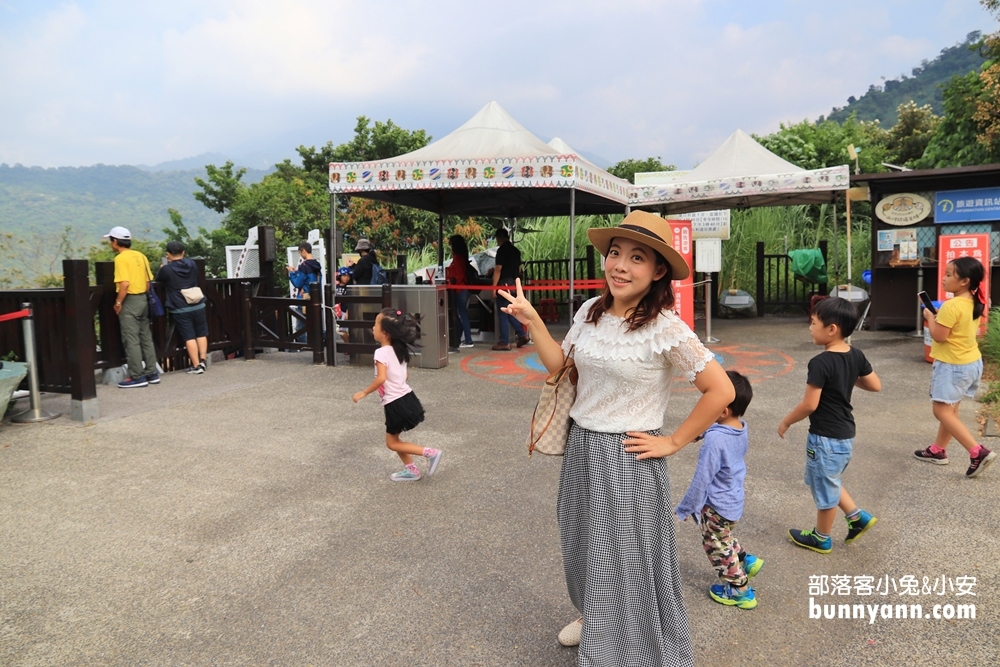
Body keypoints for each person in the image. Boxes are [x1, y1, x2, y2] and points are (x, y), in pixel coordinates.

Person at [499, 211, 734, 666]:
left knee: (626, 556)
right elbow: (559, 368)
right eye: (615, 253)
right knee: (585, 543)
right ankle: (595, 616)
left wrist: (673, 441)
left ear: (658, 270)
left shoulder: (666, 328)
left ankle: (624, 645)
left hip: (629, 455)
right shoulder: (591, 311)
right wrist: (532, 321)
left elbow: (720, 390)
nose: (620, 266)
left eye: (637, 258)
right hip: (582, 447)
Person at [778, 297, 882, 554]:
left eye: (813, 323)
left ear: (832, 329)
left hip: (825, 437)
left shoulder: (820, 362)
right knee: (828, 478)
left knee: (824, 486)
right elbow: (874, 384)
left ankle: (821, 537)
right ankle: (857, 517)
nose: (810, 328)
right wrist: (845, 378)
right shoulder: (856, 355)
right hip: (845, 434)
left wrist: (787, 421)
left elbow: (810, 405)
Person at [675, 370, 762, 610]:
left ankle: (740, 590)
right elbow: (724, 435)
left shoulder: (714, 441)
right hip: (733, 500)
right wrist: (703, 431)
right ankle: (746, 560)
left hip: (716, 506)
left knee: (716, 546)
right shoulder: (740, 426)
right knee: (724, 537)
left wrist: (687, 506)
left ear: (722, 411)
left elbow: (702, 478)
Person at [916, 256, 996, 476]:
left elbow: (939, 336)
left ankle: (977, 452)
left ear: (964, 281)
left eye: (949, 274)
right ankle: (938, 450)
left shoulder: (951, 306)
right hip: (970, 363)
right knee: (951, 411)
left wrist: (929, 316)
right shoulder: (973, 302)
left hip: (953, 366)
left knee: (941, 410)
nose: (943, 278)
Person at [352, 308, 443, 482]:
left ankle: (430, 453)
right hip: (407, 398)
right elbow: (405, 375)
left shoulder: (381, 353)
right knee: (395, 439)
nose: (373, 328)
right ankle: (411, 470)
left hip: (395, 403)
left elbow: (381, 378)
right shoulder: (398, 349)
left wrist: (364, 392)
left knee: (391, 443)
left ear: (385, 333)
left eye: (376, 324)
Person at [105, 226, 159, 388]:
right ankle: (152, 372)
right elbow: (148, 282)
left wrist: (118, 302)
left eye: (110, 241)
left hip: (130, 301)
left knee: (131, 339)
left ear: (115, 241)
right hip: (143, 299)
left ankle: (137, 376)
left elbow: (125, 284)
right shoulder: (140, 256)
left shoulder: (120, 259)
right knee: (146, 337)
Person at [156, 241, 208, 374]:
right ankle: (203, 360)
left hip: (181, 307)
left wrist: (163, 267)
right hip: (198, 303)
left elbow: (159, 279)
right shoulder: (192, 264)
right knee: (201, 333)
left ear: (168, 254)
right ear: (183, 253)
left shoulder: (166, 269)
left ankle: (196, 366)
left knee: (189, 336)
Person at [491, 227, 529, 351]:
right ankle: (522, 335)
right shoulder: (515, 251)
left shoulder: (502, 251)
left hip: (503, 284)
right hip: (513, 283)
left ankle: (504, 341)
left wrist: (494, 287)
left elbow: (498, 269)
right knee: (510, 312)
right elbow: (518, 269)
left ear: (499, 238)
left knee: (503, 312)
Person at [447, 234, 475, 348]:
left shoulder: (457, 258)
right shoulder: (463, 256)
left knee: (461, 314)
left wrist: (453, 283)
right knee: (461, 314)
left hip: (459, 289)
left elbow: (459, 274)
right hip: (463, 288)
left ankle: (468, 340)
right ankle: (461, 337)